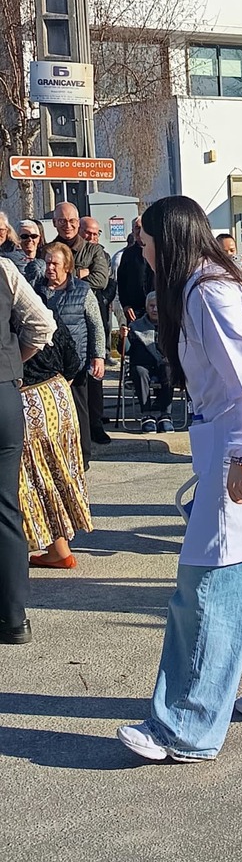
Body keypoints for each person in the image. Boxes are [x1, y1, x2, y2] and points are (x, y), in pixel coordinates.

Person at [116, 195, 242, 763]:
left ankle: (184, 725)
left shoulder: (209, 294)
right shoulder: (218, 286)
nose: (142, 248)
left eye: (147, 239)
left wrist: (241, 457)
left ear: (171, 238)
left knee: (207, 588)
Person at [0, 258, 56, 644]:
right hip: (3, 394)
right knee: (5, 506)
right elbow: (42, 325)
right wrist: (10, 364)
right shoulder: (3, 269)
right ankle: (14, 617)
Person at [20, 314, 92, 569]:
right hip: (58, 393)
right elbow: (72, 361)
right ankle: (59, 549)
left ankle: (54, 549)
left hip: (27, 397)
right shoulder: (39, 304)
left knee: (31, 475)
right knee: (56, 471)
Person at [39, 244, 106, 470]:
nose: (49, 267)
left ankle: (82, 458)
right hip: (45, 366)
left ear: (67, 267)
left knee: (78, 412)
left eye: (54, 263)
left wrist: (98, 357)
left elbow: (96, 325)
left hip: (75, 364)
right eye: (47, 262)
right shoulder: (37, 290)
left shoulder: (83, 291)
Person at [80, 216, 116, 446]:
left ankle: (96, 421)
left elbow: (106, 282)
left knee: (97, 369)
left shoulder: (102, 255)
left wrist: (99, 295)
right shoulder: (70, 250)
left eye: (96, 234)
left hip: (98, 310)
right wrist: (80, 275)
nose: (92, 237)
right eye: (88, 233)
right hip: (74, 316)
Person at [128, 292, 175, 433]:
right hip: (143, 364)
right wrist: (124, 339)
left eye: (158, 306)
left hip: (163, 363)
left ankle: (165, 415)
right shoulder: (135, 325)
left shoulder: (170, 325)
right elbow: (126, 351)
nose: (155, 309)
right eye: (151, 306)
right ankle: (146, 415)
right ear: (146, 307)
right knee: (139, 371)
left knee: (169, 370)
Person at [117, 216, 155, 322]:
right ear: (133, 231)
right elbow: (122, 282)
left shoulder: (159, 251)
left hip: (157, 310)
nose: (140, 231)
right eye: (137, 228)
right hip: (135, 312)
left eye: (143, 228)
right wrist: (125, 305)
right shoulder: (128, 254)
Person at [17, 219, 46, 287]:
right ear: (17, 238)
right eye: (24, 236)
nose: (30, 239)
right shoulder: (11, 262)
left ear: (39, 238)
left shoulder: (47, 260)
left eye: (34, 236)